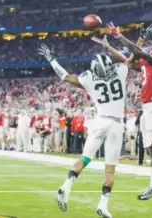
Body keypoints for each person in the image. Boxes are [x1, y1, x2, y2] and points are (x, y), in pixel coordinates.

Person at [92, 22, 152, 201]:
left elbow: (137, 51)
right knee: (149, 149)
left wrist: (119, 35)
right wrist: (108, 46)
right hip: (147, 107)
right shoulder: (150, 62)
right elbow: (128, 60)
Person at [39, 43, 128, 218]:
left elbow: (65, 77)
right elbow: (131, 59)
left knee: (85, 158)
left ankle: (66, 186)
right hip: (117, 124)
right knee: (109, 170)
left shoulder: (89, 79)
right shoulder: (121, 71)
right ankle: (103, 205)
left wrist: (52, 60)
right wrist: (130, 41)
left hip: (100, 122)